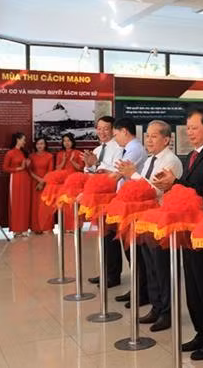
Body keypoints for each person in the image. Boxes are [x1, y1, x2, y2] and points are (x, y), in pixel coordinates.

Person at [153, 108, 203, 361]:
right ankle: (202, 333)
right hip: (189, 230)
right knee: (194, 287)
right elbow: (187, 190)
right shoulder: (192, 156)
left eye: (194, 128)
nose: (190, 133)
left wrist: (176, 184)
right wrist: (172, 184)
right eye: (188, 128)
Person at [117, 119, 183, 332]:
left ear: (166, 139)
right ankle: (156, 307)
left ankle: (167, 312)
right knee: (151, 267)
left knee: (163, 269)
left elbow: (155, 191)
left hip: (162, 222)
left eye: (154, 136)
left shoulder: (171, 161)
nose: (149, 140)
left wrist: (132, 175)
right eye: (147, 135)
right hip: (145, 220)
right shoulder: (149, 160)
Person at [109, 116, 148, 303]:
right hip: (126, 205)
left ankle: (141, 291)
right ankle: (137, 288)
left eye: (116, 134)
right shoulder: (127, 149)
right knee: (130, 252)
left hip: (134, 208)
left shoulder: (134, 149)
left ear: (124, 131)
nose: (115, 138)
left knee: (135, 252)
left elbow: (118, 174)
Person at [83, 116, 124, 288]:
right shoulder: (98, 149)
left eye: (105, 128)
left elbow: (114, 173)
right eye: (99, 128)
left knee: (112, 238)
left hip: (114, 198)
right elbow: (89, 171)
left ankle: (114, 275)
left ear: (113, 130)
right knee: (104, 238)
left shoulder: (119, 148)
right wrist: (91, 165)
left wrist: (96, 165)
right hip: (99, 200)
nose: (101, 132)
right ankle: (105, 272)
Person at [2, 132, 32, 237]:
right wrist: (17, 168)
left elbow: (28, 167)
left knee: (25, 203)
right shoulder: (10, 153)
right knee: (15, 202)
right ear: (17, 140)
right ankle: (16, 228)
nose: (25, 141)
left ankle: (24, 228)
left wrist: (27, 165)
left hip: (26, 179)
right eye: (23, 139)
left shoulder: (25, 152)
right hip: (15, 179)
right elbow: (5, 168)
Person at [56, 133, 84, 232]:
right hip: (63, 182)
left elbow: (81, 168)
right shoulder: (60, 154)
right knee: (65, 204)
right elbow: (57, 169)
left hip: (76, 182)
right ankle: (66, 227)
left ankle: (75, 227)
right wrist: (64, 161)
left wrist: (72, 161)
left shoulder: (78, 153)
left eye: (68, 140)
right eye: (64, 141)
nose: (66, 143)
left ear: (72, 141)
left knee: (75, 205)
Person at [29, 137, 54, 234]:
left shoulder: (49, 156)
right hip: (34, 184)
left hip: (46, 184)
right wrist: (39, 181)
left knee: (45, 205)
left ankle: (46, 227)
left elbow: (50, 171)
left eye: (42, 144)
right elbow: (30, 170)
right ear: (35, 145)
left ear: (45, 145)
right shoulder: (31, 156)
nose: (40, 146)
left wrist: (42, 182)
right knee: (35, 206)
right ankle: (36, 227)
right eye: (38, 144)